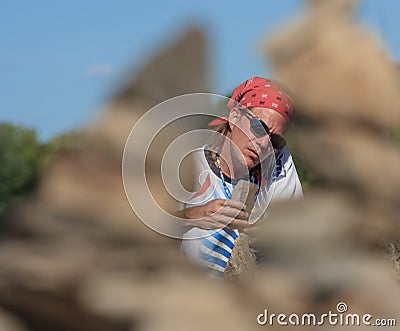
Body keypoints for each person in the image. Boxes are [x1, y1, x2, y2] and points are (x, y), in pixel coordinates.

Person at [179, 76, 303, 275]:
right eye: (259, 127)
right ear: (235, 116)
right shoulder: (189, 164)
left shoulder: (278, 167)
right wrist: (192, 216)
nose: (264, 144)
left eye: (275, 141)